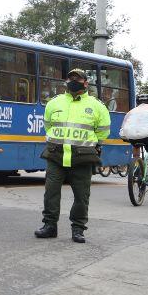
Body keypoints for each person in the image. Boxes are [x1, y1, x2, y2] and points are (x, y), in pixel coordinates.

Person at [36, 68, 110, 244]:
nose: (73, 81)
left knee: (81, 196)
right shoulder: (54, 103)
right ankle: (49, 226)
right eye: (70, 78)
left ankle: (78, 229)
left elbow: (103, 132)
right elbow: (48, 126)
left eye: (77, 78)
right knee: (51, 193)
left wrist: (90, 144)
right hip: (56, 155)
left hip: (82, 157)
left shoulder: (97, 106)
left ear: (85, 83)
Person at [120, 92, 148, 193]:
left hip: (130, 135)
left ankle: (136, 164)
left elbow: (123, 126)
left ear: (137, 102)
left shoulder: (130, 111)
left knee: (136, 144)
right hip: (147, 136)